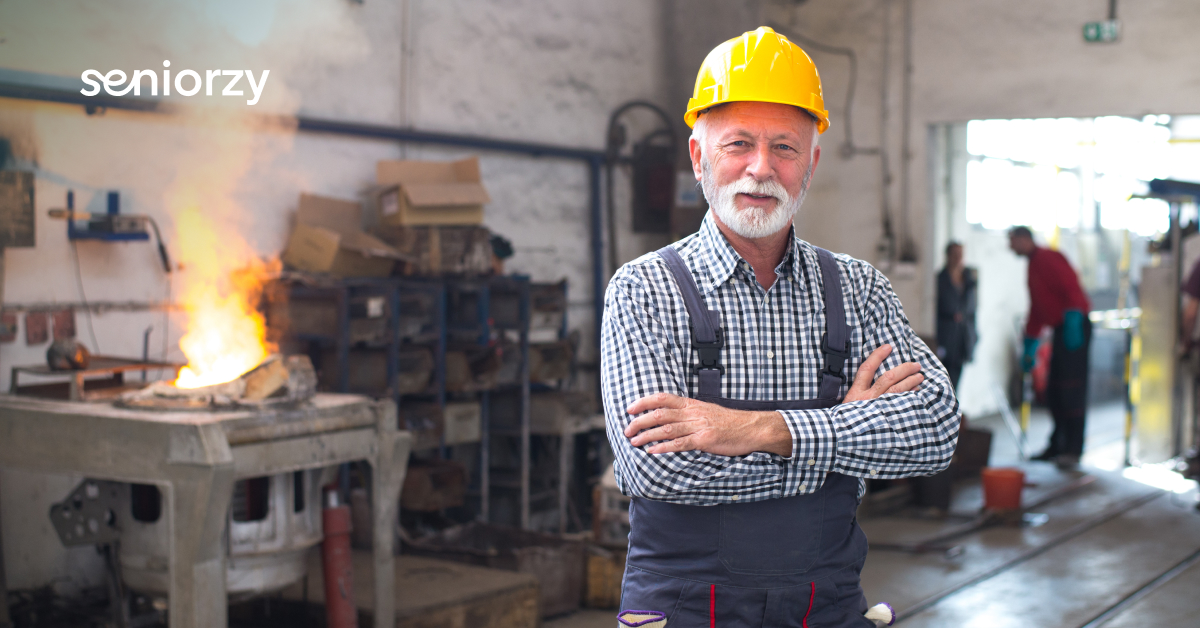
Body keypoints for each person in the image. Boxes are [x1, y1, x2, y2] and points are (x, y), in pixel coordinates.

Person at [601, 27, 961, 628]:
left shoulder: (858, 289)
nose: (761, 168)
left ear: (811, 164)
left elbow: (934, 433)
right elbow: (655, 469)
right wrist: (845, 436)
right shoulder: (644, 291)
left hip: (827, 607)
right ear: (699, 157)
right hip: (685, 611)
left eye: (785, 148)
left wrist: (754, 429)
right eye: (738, 143)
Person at [1008, 226, 1091, 470]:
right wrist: (1030, 344)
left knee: (1071, 390)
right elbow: (1038, 308)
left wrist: (1074, 318)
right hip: (1060, 327)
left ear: (1024, 240)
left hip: (1073, 326)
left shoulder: (1048, 258)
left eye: (1013, 242)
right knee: (1055, 390)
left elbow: (1071, 286)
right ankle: (1057, 445)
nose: (1010, 247)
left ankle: (1073, 450)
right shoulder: (1033, 266)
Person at [936, 241, 977, 389]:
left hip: (963, 338)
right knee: (945, 379)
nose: (958, 258)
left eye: (960, 255)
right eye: (954, 255)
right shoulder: (940, 280)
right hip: (946, 338)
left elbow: (972, 311)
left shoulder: (969, 281)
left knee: (956, 381)